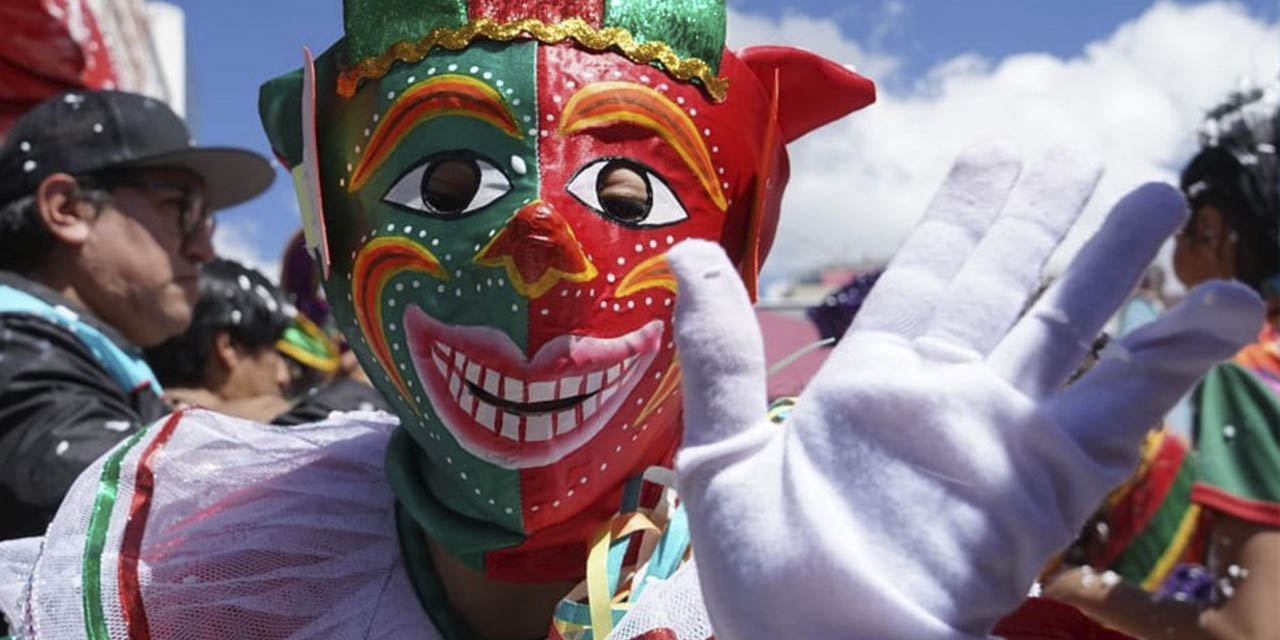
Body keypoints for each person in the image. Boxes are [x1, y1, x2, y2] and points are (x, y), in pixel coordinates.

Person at [0, 3, 1263, 639]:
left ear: (736, 233)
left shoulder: (805, 540)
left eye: (628, 188)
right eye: (446, 184)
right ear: (332, 232)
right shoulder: (203, 567)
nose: (543, 251)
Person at [1043, 87, 1280, 640]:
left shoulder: (1251, 370)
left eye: (1183, 234)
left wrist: (1074, 585)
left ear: (1212, 230)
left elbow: (1252, 630)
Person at [0, 90, 274, 541]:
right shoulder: (17, 350)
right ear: (68, 208)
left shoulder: (60, 354)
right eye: (182, 209)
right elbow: (161, 516)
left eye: (208, 221)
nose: (205, 249)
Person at [145, 257, 387, 423]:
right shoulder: (188, 433)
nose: (283, 377)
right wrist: (361, 383)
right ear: (227, 348)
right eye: (276, 354)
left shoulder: (147, 416)